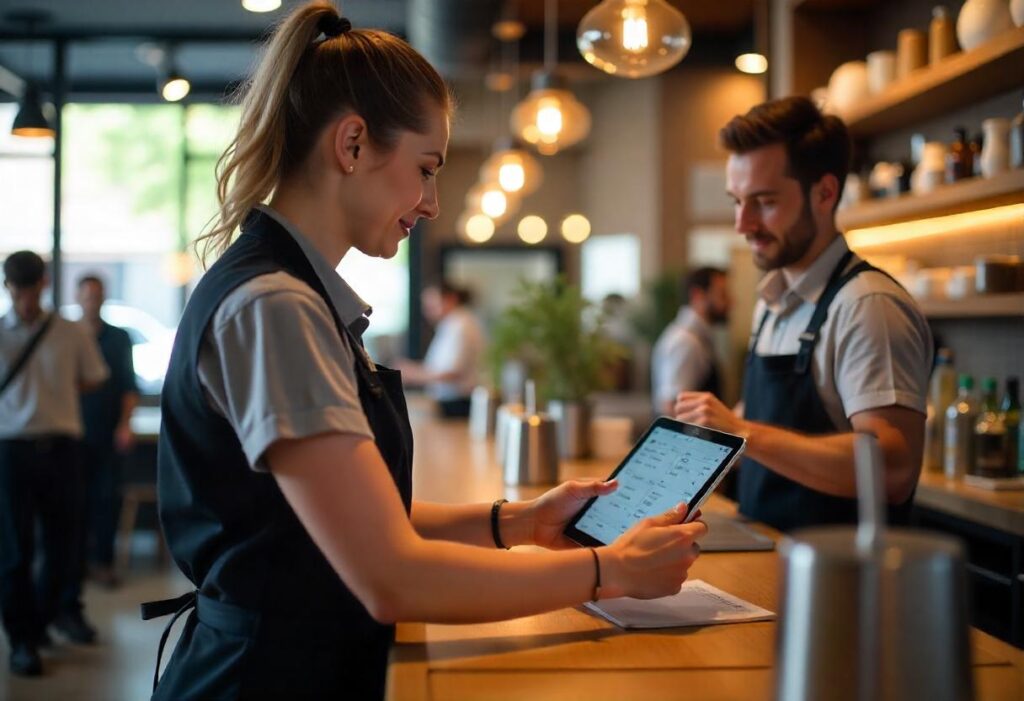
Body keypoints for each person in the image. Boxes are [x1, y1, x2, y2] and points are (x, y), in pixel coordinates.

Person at [142, 4, 707, 699]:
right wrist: (610, 571)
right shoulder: (276, 308)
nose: (433, 202)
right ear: (352, 145)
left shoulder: (292, 296)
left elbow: (353, 516)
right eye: (426, 167)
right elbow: (392, 576)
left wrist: (519, 521)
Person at [674, 96, 933, 533]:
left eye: (764, 202)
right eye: (737, 201)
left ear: (825, 193)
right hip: (766, 562)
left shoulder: (866, 306)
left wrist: (741, 431)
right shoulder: (773, 303)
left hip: (836, 584)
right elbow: (751, 425)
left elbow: (892, 470)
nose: (743, 224)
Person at [0, 251, 108, 676]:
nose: (25, 298)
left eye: (31, 288)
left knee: (65, 544)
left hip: (63, 446)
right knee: (15, 549)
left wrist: (53, 395)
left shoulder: (69, 331)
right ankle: (22, 641)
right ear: (9, 287)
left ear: (44, 284)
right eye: (17, 289)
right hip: (11, 448)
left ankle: (43, 621)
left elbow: (93, 378)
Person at [76, 275, 138, 588]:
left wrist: (125, 424)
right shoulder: (69, 335)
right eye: (87, 296)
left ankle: (102, 562)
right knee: (73, 500)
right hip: (71, 433)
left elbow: (129, 385)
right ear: (79, 297)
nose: (92, 301)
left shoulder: (118, 337)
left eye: (97, 296)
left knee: (107, 498)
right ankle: (75, 564)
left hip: (107, 430)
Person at [651, 267, 731, 416]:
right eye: (722, 294)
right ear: (697, 295)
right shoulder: (685, 341)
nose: (730, 302)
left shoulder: (697, 337)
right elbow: (671, 406)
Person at [398, 281, 485, 417]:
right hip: (451, 402)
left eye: (432, 304)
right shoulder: (451, 324)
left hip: (458, 404)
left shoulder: (460, 325)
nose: (427, 311)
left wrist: (412, 373)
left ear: (451, 299)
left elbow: (451, 372)